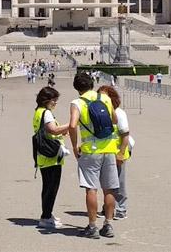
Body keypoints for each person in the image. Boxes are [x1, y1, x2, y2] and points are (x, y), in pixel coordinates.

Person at [69, 72, 119, 239]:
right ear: (92, 83)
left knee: (91, 188)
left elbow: (72, 125)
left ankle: (92, 226)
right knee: (109, 188)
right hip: (109, 148)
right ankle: (108, 224)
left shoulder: (77, 102)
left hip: (90, 150)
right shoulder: (104, 98)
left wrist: (75, 146)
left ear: (77, 88)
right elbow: (114, 120)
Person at [33, 86, 69, 229]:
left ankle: (47, 213)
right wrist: (69, 125)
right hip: (51, 155)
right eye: (53, 100)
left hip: (43, 154)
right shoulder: (46, 113)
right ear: (46, 100)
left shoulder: (38, 112)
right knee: (51, 187)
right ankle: (46, 216)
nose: (55, 103)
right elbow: (52, 129)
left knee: (48, 186)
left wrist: (61, 131)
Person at [98, 85, 133, 220]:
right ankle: (108, 207)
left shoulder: (119, 113)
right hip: (107, 151)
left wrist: (121, 153)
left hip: (119, 151)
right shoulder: (103, 112)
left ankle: (121, 208)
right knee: (108, 183)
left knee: (119, 182)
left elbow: (125, 135)